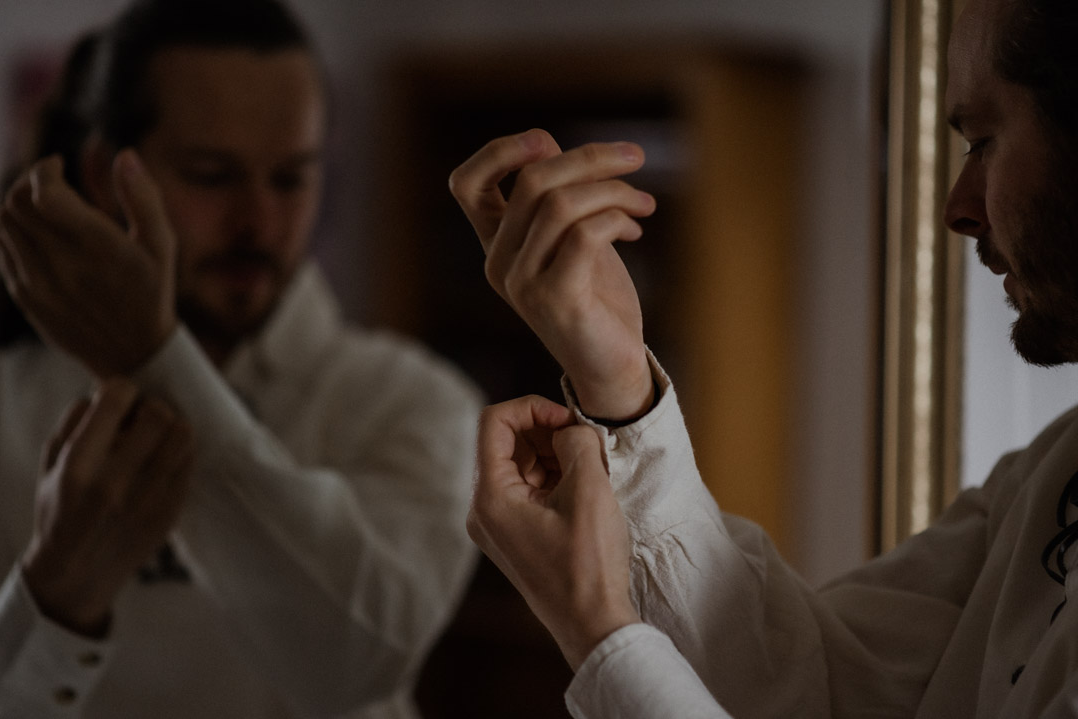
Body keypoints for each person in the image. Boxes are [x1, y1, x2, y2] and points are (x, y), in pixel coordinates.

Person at [451, 0, 1078, 716]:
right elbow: (815, 686)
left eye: (985, 140)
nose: (958, 207)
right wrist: (620, 383)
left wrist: (598, 629)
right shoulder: (1049, 474)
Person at [0, 0, 481, 716]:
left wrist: (150, 358)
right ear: (105, 174)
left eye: (291, 178)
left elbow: (354, 663)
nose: (258, 221)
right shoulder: (9, 408)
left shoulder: (415, 401)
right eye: (211, 174)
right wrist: (54, 598)